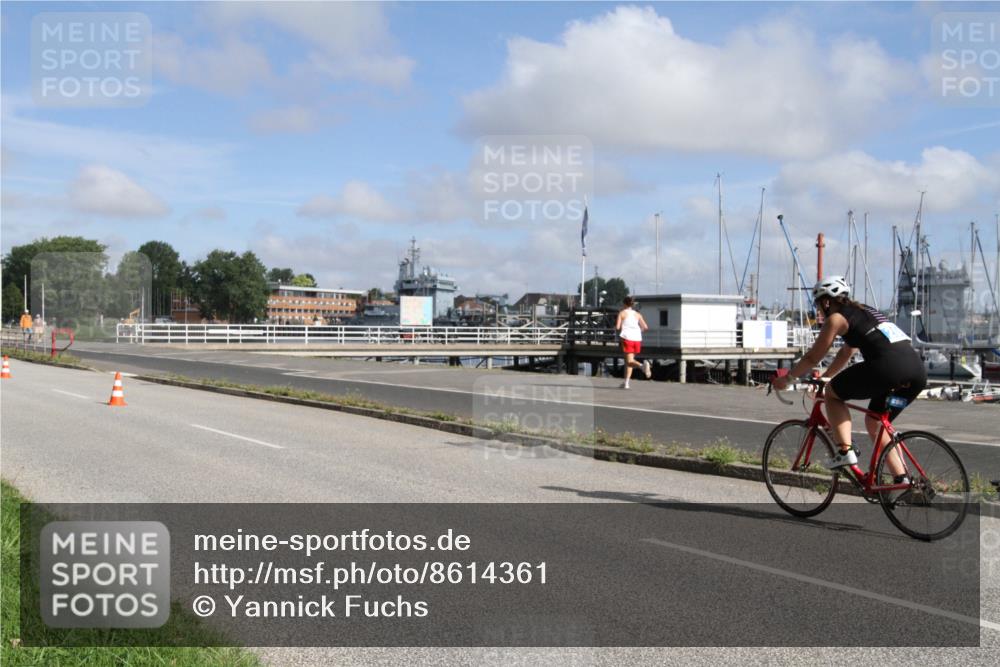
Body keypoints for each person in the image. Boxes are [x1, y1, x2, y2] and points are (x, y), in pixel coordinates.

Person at [772, 276, 926, 478]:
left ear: (826, 302)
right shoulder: (865, 311)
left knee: (832, 395)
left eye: (818, 305)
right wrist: (827, 376)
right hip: (916, 371)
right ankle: (902, 479)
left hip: (887, 368)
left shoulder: (835, 319)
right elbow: (846, 352)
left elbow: (812, 358)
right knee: (876, 421)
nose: (818, 310)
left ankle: (845, 452)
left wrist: (788, 379)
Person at [616, 296, 651, 389]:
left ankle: (642, 366)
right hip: (637, 338)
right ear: (632, 304)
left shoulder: (622, 313)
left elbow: (617, 327)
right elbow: (645, 327)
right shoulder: (637, 314)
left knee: (629, 361)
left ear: (624, 304)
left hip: (627, 338)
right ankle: (626, 383)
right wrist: (638, 331)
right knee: (630, 361)